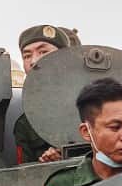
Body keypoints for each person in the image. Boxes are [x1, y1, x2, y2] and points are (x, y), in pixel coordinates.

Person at [13, 24, 81, 164]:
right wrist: (46, 164)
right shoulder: (25, 124)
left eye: (43, 52)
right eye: (27, 56)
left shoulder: (94, 103)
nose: (33, 61)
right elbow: (24, 172)